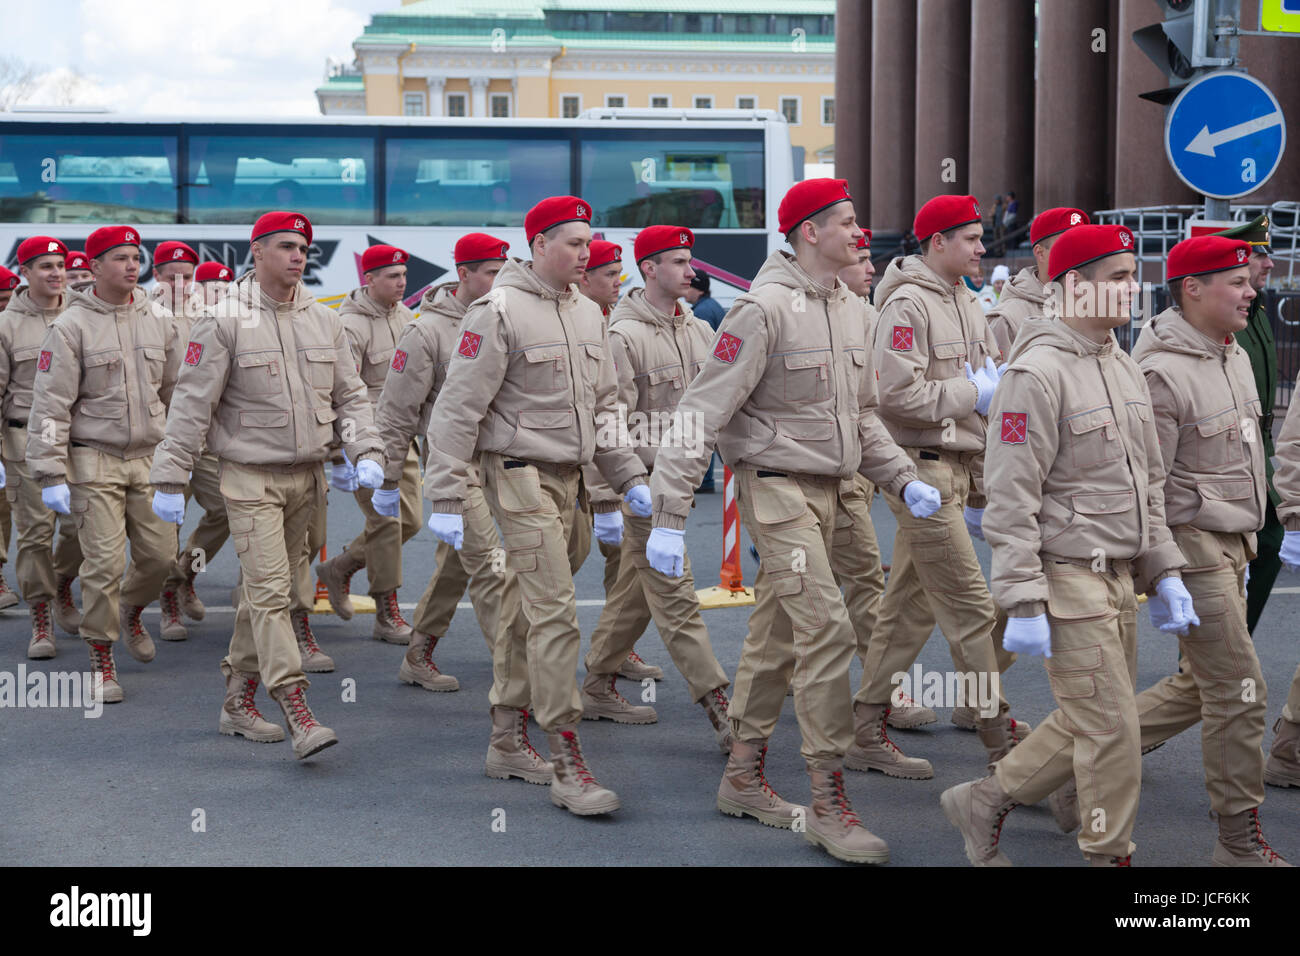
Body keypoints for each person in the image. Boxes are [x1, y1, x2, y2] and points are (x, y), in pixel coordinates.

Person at [647, 178, 942, 864]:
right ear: (810, 231)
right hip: (776, 490)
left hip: (836, 490)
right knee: (826, 629)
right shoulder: (761, 311)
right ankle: (828, 797)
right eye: (846, 221)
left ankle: (743, 776)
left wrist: (902, 477)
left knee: (776, 638)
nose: (859, 232)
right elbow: (701, 414)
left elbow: (864, 416)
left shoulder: (854, 309)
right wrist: (667, 517)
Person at [941, 224, 1194, 866]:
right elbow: (1011, 495)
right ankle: (1109, 856)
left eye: (1132, 275)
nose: (1131, 288)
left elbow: (1149, 484)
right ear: (1074, 285)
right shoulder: (1036, 372)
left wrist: (1164, 571)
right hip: (1064, 577)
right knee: (1111, 730)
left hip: (1118, 580)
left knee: (1096, 716)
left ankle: (986, 798)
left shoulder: (1122, 365)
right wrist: (1024, 599)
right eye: (1116, 278)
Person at [423, 195, 652, 815]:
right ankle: (565, 754)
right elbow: (458, 408)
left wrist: (627, 475)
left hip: (572, 479)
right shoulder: (496, 310)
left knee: (528, 609)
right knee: (555, 612)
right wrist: (445, 489)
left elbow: (606, 405)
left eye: (589, 243)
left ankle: (504, 737)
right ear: (540, 244)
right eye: (575, 243)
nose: (587, 254)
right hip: (517, 474)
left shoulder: (587, 313)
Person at [149, 211, 385, 758]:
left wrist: (364, 448)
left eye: (304, 247)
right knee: (273, 591)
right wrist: (170, 473)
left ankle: (237, 699)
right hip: (248, 477)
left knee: (274, 592)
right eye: (285, 246)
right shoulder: (224, 319)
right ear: (256, 253)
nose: (298, 255)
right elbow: (191, 402)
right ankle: (295, 704)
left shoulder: (324, 321)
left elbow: (350, 396)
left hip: (308, 478)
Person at [1125, 235, 1288, 866]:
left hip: (1235, 541)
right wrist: (1162, 570)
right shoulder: (1160, 370)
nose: (1254, 290)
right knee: (1241, 688)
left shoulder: (1232, 354)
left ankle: (1048, 774)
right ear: (1192, 288)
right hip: (1191, 547)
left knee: (1202, 686)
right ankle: (1237, 842)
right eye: (1238, 281)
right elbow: (1149, 485)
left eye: (1251, 279)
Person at [854, 194, 1019, 780]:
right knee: (974, 607)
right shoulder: (907, 306)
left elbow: (986, 390)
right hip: (919, 473)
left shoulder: (970, 303)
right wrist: (971, 395)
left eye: (979, 238)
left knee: (908, 609)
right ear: (938, 242)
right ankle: (1001, 746)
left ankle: (866, 728)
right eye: (971, 238)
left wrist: (980, 479)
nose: (981, 247)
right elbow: (896, 395)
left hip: (954, 469)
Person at [581, 224, 733, 749]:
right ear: (648, 268)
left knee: (634, 593)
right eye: (676, 262)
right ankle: (722, 709)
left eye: (689, 261)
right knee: (676, 594)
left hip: (683, 481)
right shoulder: (623, 336)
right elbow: (609, 423)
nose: (690, 271)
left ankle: (598, 682)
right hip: (645, 486)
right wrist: (612, 493)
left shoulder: (695, 327)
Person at [26, 226, 181, 702]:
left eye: (136, 257)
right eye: (119, 258)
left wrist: (179, 460)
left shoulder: (160, 318)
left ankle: (132, 609)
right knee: (104, 562)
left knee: (160, 558)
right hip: (93, 459)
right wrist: (50, 472)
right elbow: (50, 405)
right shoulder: (69, 327)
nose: (132, 266)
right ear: (93, 267)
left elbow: (179, 395)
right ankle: (101, 653)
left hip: (150, 459)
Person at [374, 232, 512, 696]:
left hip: (509, 464)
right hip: (455, 468)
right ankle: (519, 684)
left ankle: (418, 653)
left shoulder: (508, 318)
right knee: (491, 567)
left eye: (503, 270)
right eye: (490, 272)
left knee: (460, 563)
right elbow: (395, 413)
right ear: (464, 274)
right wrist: (390, 479)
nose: (499, 280)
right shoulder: (425, 332)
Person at [316, 244, 420, 644]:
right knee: (386, 522)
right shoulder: (349, 326)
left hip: (403, 437)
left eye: (404, 276)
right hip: (366, 445)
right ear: (369, 279)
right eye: (392, 276)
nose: (401, 283)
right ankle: (386, 612)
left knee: (409, 521)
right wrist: (339, 453)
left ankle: (340, 566)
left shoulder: (407, 317)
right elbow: (337, 394)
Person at [0, 236, 83, 657]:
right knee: (35, 533)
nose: (56, 273)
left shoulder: (84, 313)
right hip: (25, 439)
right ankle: (40, 614)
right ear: (25, 273)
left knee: (78, 527)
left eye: (60, 265)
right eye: (45, 266)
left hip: (79, 438)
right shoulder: (6, 326)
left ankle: (63, 583)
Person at [148, 241, 226, 643]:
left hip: (206, 435)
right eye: (171, 274)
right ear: (157, 275)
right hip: (162, 436)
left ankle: (184, 575)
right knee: (169, 520)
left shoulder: (212, 314)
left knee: (226, 510)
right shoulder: (142, 314)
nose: (180, 282)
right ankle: (168, 599)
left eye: (188, 275)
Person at [1214, 216, 1283, 635]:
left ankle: (1231, 643)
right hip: (1227, 453)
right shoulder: (1224, 315)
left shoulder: (1255, 311)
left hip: (1262, 448)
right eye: (1259, 253)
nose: (1269, 263)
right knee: (1227, 560)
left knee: (1270, 545)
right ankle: (1208, 658)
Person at [987, 207, 1089, 360]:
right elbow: (1004, 381)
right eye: (1067, 245)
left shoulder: (1091, 305)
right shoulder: (1008, 319)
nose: (1078, 254)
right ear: (1040, 253)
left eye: (1082, 244)